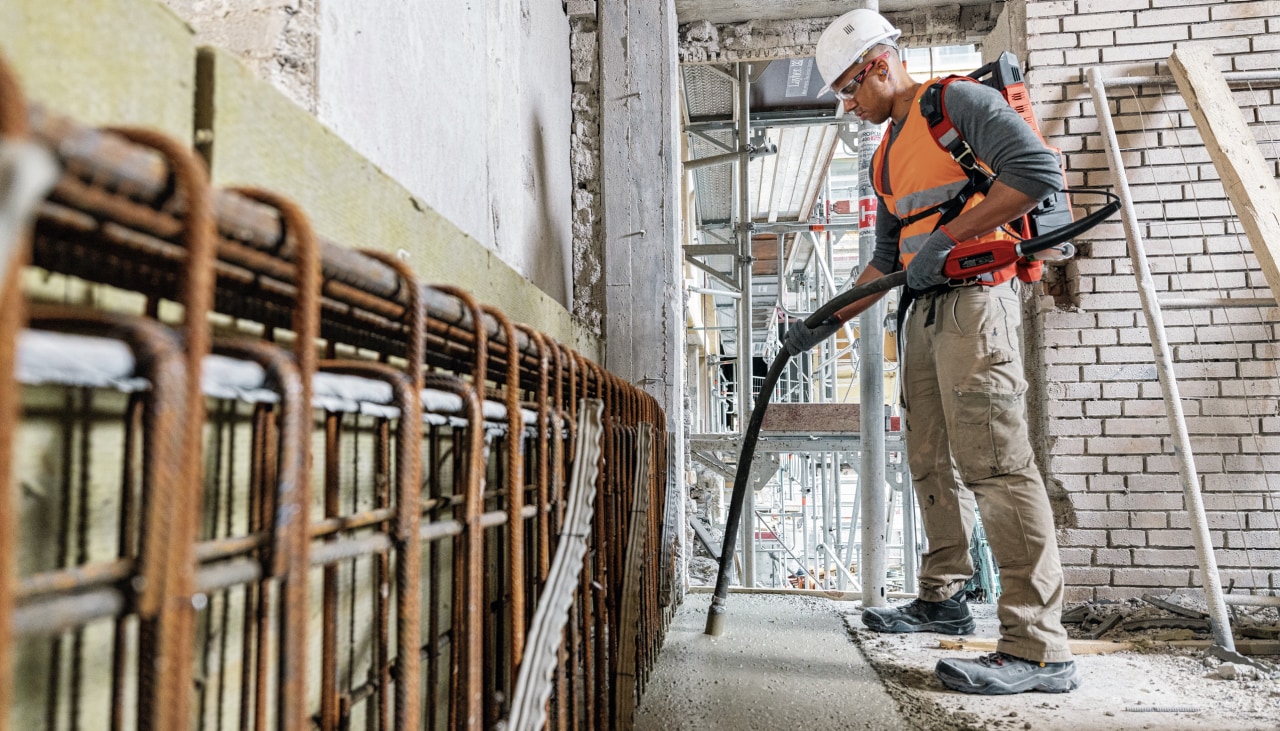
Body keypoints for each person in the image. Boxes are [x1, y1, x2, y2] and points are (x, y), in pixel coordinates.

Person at [785, 8, 1079, 696]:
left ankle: (1038, 647)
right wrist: (819, 324)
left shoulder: (956, 104)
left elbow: (1037, 169)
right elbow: (884, 262)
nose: (849, 107)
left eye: (850, 91)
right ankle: (943, 593)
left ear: (880, 66)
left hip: (976, 300)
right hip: (922, 311)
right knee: (929, 456)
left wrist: (952, 238)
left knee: (997, 462)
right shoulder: (887, 154)